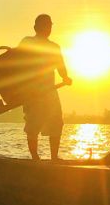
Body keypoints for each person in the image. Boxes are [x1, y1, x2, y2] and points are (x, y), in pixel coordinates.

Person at [19, 14, 72, 160]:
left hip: (50, 91)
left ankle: (54, 157)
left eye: (49, 26)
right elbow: (16, 62)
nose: (47, 29)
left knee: (56, 122)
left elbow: (60, 67)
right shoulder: (28, 42)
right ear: (36, 27)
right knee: (33, 124)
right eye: (45, 25)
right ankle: (35, 157)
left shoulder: (54, 47)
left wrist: (65, 78)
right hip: (32, 92)